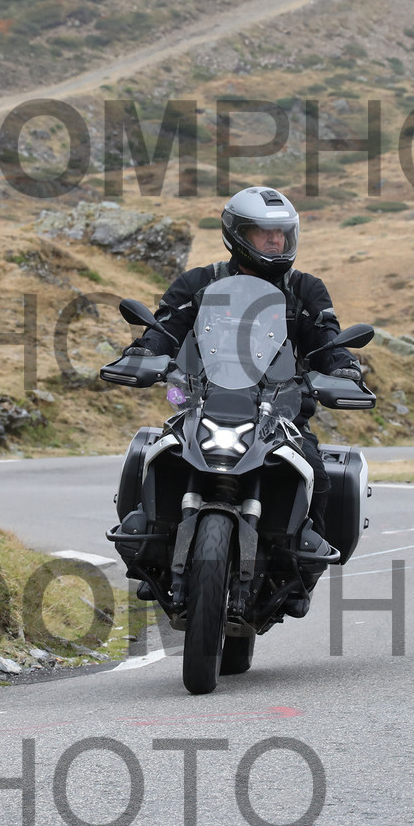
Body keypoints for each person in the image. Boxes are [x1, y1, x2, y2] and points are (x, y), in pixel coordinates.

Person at [121, 186, 362, 617]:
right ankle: (149, 551)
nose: (275, 242)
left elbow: (327, 338)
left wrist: (343, 368)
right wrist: (144, 351)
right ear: (237, 235)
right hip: (202, 403)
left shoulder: (305, 289)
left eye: (282, 234)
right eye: (263, 233)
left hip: (279, 410)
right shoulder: (199, 283)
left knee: (317, 474)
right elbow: (166, 326)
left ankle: (300, 575)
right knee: (154, 455)